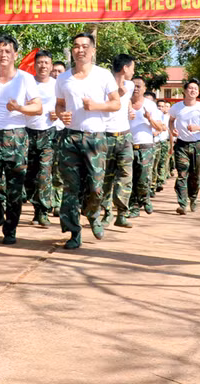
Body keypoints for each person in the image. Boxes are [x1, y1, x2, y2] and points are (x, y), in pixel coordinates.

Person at [55, 33, 121, 249]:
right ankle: (74, 233)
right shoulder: (64, 78)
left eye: (84, 46)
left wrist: (96, 106)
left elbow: (116, 104)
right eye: (76, 46)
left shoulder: (103, 76)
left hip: (96, 138)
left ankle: (93, 214)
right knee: (70, 188)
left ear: (93, 51)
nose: (80, 50)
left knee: (95, 187)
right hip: (70, 138)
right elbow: (59, 104)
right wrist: (61, 114)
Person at [0, 34, 42, 245]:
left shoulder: (25, 79)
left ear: (15, 54)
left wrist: (19, 108)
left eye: (8, 51)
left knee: (14, 189)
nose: (3, 55)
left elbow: (38, 108)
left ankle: (10, 229)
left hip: (17, 136)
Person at [169, 78, 200, 215]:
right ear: (184, 91)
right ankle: (182, 204)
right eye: (190, 88)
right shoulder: (176, 107)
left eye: (195, 89)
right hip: (181, 145)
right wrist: (172, 130)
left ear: (198, 92)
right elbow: (171, 121)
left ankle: (193, 199)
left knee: (194, 175)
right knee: (182, 174)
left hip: (198, 145)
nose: (193, 90)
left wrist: (198, 127)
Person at [100, 54, 135, 229]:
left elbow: (127, 101)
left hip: (125, 135)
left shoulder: (130, 85)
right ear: (125, 68)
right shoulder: (104, 84)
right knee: (106, 177)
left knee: (126, 175)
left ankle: (122, 213)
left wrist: (129, 109)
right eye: (132, 68)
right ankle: (106, 213)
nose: (133, 72)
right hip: (106, 135)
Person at [24, 50, 57, 227]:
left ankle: (42, 211)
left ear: (51, 65)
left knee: (44, 173)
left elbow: (64, 105)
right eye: (40, 62)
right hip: (28, 132)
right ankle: (32, 201)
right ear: (34, 65)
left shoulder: (56, 85)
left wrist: (57, 114)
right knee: (29, 174)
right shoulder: (27, 83)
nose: (43, 66)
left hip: (48, 133)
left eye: (46, 62)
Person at [128, 78, 165, 218]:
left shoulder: (150, 105)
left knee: (143, 178)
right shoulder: (124, 102)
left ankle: (145, 198)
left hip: (146, 146)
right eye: (133, 86)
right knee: (129, 178)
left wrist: (149, 119)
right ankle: (134, 207)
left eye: (139, 86)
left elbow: (160, 127)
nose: (136, 89)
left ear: (144, 89)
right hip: (127, 146)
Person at [49, 60, 66, 216]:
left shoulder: (66, 87)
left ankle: (58, 203)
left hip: (63, 133)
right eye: (54, 70)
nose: (56, 74)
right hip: (47, 132)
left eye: (60, 71)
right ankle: (48, 202)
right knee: (47, 169)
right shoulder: (44, 86)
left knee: (60, 169)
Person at [152, 99, 172, 195]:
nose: (160, 107)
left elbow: (168, 130)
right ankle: (154, 183)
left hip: (164, 141)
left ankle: (159, 181)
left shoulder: (168, 117)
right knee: (154, 165)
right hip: (155, 142)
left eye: (162, 106)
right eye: (158, 105)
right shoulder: (155, 114)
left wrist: (172, 145)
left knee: (162, 162)